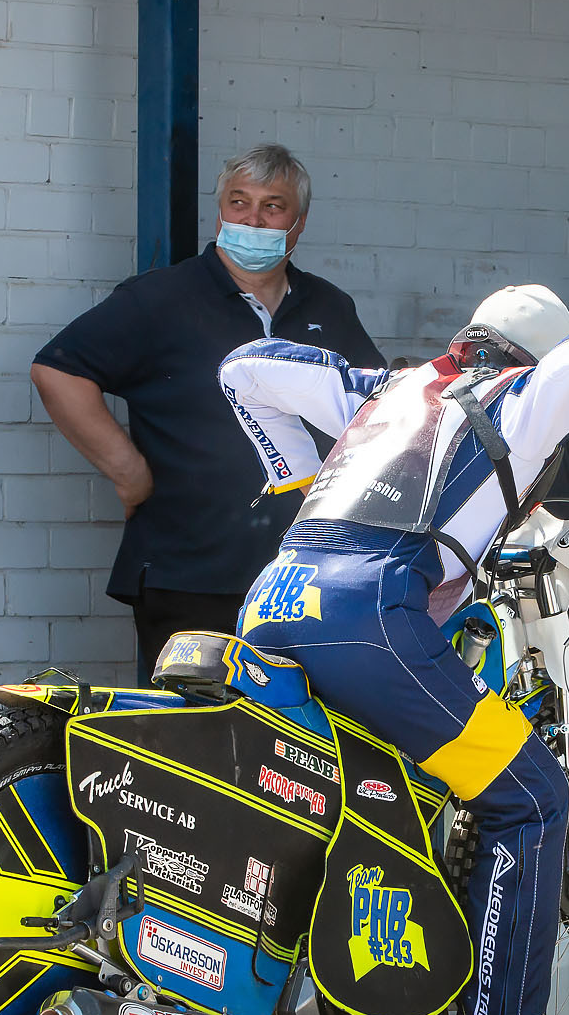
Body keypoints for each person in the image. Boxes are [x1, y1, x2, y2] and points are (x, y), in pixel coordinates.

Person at [217, 287, 569, 1015]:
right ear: (537, 353)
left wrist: (299, 483)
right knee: (532, 795)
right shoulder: (524, 393)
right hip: (372, 613)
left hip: (274, 596)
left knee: (367, 802)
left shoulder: (383, 389)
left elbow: (244, 370)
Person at [32, 145, 386, 679]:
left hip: (304, 579)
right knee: (187, 744)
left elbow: (375, 413)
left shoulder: (329, 307)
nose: (253, 218)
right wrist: (128, 473)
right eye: (238, 203)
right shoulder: (160, 299)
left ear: (299, 223)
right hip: (189, 571)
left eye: (273, 206)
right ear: (219, 212)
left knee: (296, 747)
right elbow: (57, 371)